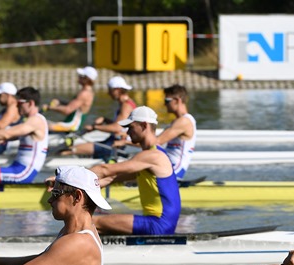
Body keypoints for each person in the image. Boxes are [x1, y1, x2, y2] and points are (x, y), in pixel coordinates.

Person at [89, 106, 181, 235]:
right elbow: (110, 178)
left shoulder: (153, 156)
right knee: (101, 225)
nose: (127, 133)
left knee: (92, 223)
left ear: (144, 125)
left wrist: (67, 177)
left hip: (158, 224)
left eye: (130, 128)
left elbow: (105, 169)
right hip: (159, 223)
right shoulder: (150, 157)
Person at [115, 84, 196, 179]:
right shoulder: (177, 121)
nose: (164, 104)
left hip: (175, 170)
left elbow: (156, 142)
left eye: (167, 101)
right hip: (168, 165)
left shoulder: (184, 121)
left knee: (129, 171)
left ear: (177, 100)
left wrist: (125, 141)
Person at [0, 86, 48, 184]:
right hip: (17, 167)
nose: (16, 106)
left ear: (31, 103)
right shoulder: (28, 122)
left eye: (19, 103)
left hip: (24, 172)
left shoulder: (36, 120)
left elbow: (6, 134)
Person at [63, 76, 136, 161]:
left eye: (110, 90)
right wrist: (105, 120)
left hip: (117, 144)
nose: (109, 93)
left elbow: (117, 127)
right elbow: (121, 125)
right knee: (77, 148)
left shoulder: (126, 106)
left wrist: (95, 127)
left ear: (117, 90)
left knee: (69, 149)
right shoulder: (126, 103)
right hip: (112, 140)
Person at [44, 66, 97, 133]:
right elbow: (73, 106)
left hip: (72, 125)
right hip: (70, 123)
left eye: (81, 75)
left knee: (42, 125)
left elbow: (67, 110)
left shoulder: (84, 93)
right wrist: (60, 102)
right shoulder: (88, 92)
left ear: (86, 79)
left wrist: (49, 107)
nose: (78, 77)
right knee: (43, 123)